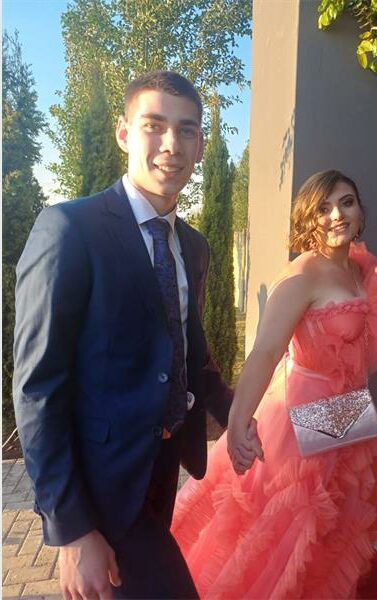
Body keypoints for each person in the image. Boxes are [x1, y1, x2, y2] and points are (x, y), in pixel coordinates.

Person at [13, 71, 261, 600]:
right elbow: (36, 388)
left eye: (187, 130)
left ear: (200, 145)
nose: (172, 144)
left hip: (160, 471)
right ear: (125, 133)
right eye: (154, 125)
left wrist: (235, 413)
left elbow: (188, 354)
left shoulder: (192, 246)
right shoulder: (70, 230)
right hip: (101, 486)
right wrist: (72, 531)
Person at [171, 170, 377, 599]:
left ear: (360, 211)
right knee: (290, 523)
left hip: (348, 410)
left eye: (346, 203)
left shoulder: (361, 268)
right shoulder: (302, 275)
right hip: (303, 413)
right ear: (308, 218)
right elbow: (265, 351)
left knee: (337, 516)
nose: (337, 215)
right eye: (324, 208)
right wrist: (239, 422)